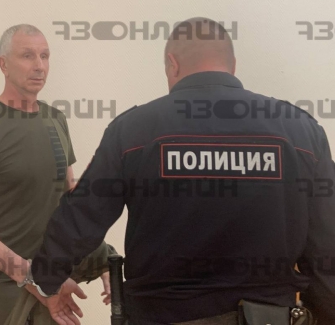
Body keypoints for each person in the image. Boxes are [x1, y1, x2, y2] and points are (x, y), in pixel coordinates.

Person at [29, 18, 335, 325]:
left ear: (172, 64)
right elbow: (327, 244)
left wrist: (46, 277)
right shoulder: (301, 132)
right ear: (232, 65)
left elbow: (81, 218)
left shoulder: (133, 131)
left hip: (162, 316)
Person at [0, 24, 112, 325]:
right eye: (27, 56)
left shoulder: (55, 119)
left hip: (55, 286)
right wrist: (30, 277)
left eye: (44, 56)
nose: (39, 66)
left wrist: (104, 260)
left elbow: (71, 204)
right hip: (5, 292)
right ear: (3, 64)